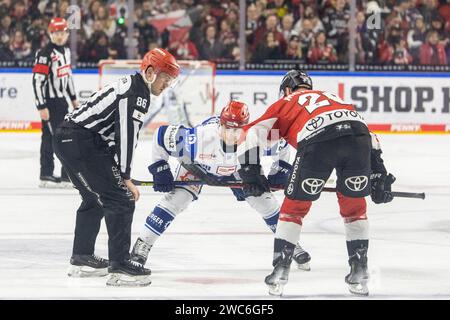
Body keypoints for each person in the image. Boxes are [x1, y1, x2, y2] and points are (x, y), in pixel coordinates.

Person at [237, 70, 395, 296]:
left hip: (317, 140)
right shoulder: (334, 98)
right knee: (355, 208)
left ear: (287, 90)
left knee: (294, 209)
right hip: (358, 139)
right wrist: (379, 173)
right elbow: (369, 136)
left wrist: (250, 172)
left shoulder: (286, 101)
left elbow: (251, 134)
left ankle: (280, 271)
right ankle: (359, 271)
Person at [130, 101, 311, 271]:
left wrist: (279, 170)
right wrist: (160, 169)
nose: (232, 135)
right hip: (197, 167)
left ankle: (290, 245)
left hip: (237, 168)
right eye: (227, 128)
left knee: (265, 202)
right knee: (176, 200)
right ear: (220, 125)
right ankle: (142, 245)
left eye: (238, 130)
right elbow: (162, 135)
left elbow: (284, 144)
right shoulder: (198, 139)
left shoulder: (256, 137)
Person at [53, 48, 180, 287]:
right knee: (121, 199)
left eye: (170, 81)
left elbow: (111, 136)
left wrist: (117, 173)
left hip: (67, 138)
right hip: (81, 141)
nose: (166, 85)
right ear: (151, 72)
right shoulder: (137, 93)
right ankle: (120, 266)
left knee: (94, 198)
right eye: (165, 78)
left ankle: (81, 258)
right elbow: (127, 135)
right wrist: (125, 177)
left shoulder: (133, 86)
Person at [32, 17, 79, 188]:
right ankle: (63, 177)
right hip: (50, 103)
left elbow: (67, 77)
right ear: (50, 34)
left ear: (67, 34)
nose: (60, 36)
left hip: (62, 102)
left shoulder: (66, 51)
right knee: (61, 138)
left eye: (62, 33)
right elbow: (37, 81)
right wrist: (41, 106)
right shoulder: (45, 54)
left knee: (51, 137)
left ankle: (46, 174)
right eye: (56, 33)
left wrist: (74, 99)